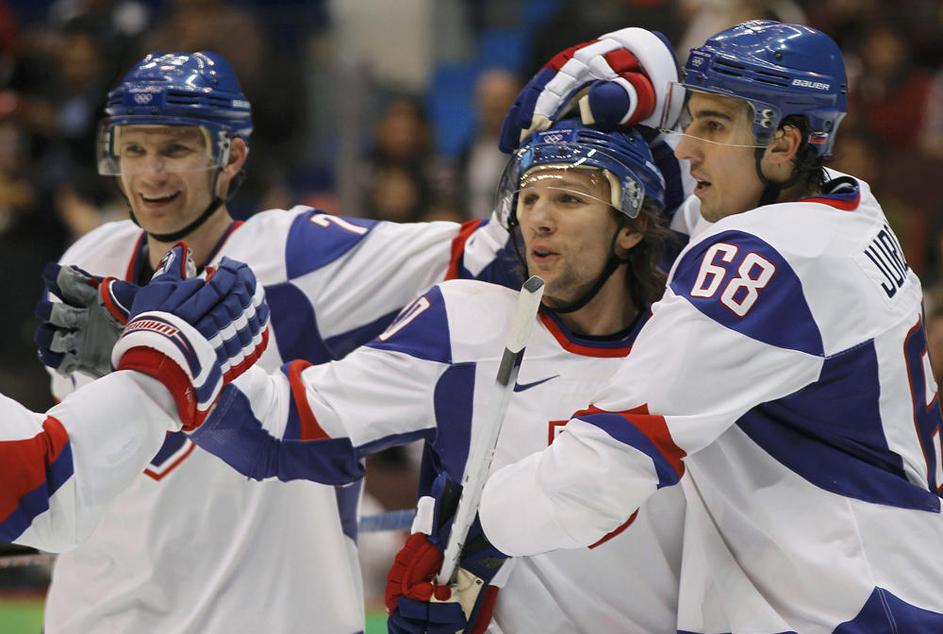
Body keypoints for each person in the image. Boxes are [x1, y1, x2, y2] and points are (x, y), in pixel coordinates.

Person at [35, 46, 675, 633]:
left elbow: (491, 253)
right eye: (134, 149)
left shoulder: (299, 254)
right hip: (101, 606)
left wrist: (621, 91)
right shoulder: (91, 258)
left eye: (175, 149)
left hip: (263, 611)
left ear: (230, 156)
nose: (150, 174)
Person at [470, 20, 943, 632]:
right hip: (884, 583)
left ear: (785, 145)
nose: (689, 146)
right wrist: (640, 133)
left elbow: (615, 456)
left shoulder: (768, 260)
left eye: (714, 126)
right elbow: (695, 217)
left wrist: (479, 531)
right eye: (689, 120)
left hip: (847, 610)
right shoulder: (848, 207)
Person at [169, 117, 686, 633]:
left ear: (634, 226)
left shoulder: (695, 346)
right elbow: (284, 426)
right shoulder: (463, 325)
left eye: (569, 200)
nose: (539, 220)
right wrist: (176, 357)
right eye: (529, 199)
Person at [3, 243, 267, 554]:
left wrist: (141, 369)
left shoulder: (293, 245)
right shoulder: (94, 248)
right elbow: (47, 491)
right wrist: (158, 366)